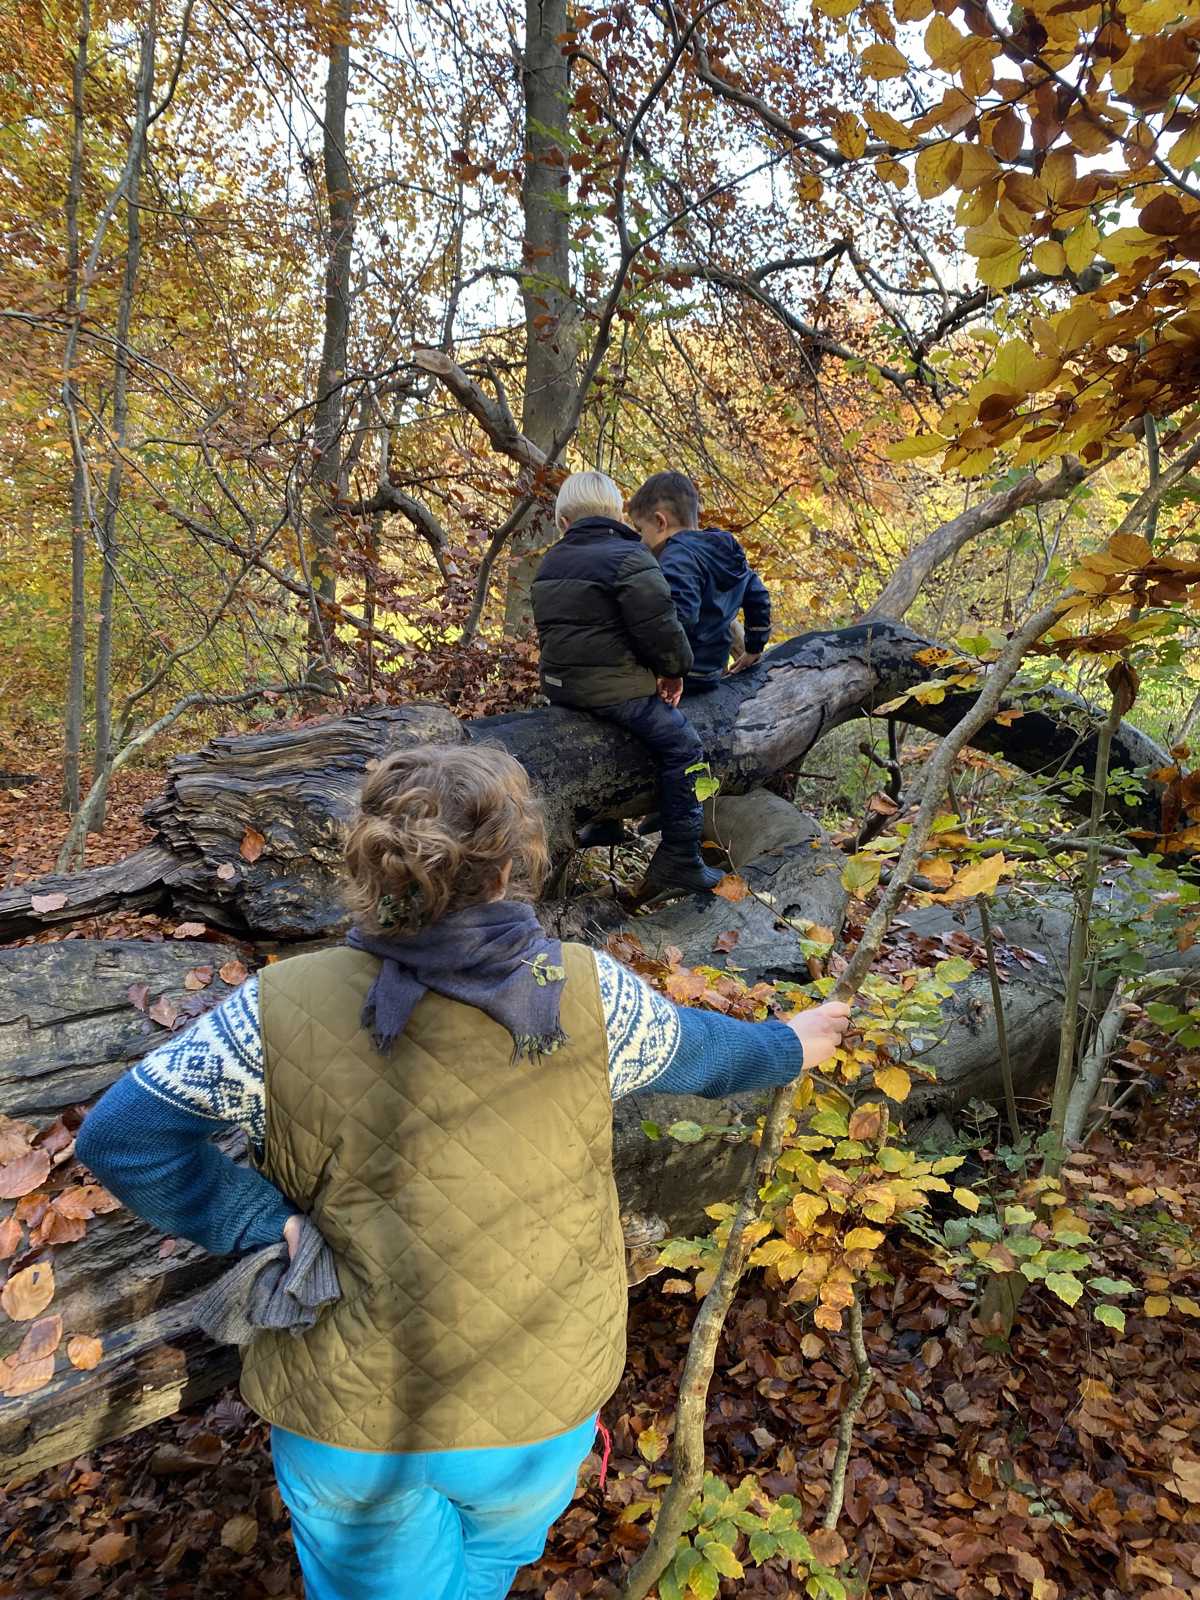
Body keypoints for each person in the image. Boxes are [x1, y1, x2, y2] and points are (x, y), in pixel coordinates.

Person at [76, 743, 853, 1600]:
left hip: (352, 1421)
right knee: (493, 1563)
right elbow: (713, 1057)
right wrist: (793, 1042)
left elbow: (124, 1137)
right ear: (516, 864)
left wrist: (265, 1225)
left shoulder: (273, 1009)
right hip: (540, 1407)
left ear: (369, 864)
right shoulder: (591, 993)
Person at [530, 468, 720, 900]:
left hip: (562, 689)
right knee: (685, 749)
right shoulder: (631, 558)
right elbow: (660, 630)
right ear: (618, 516)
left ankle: (605, 822)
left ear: (564, 523)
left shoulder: (550, 562)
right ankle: (680, 857)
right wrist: (674, 670)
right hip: (616, 694)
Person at [627, 470, 772, 696]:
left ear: (660, 522)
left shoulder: (677, 557)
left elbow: (680, 617)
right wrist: (754, 647)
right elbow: (757, 595)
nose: (641, 540)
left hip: (683, 674)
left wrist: (668, 670)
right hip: (712, 671)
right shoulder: (725, 549)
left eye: (640, 529)